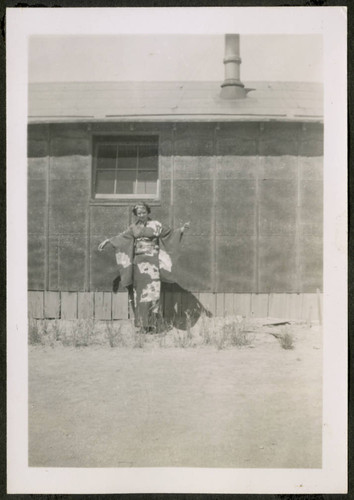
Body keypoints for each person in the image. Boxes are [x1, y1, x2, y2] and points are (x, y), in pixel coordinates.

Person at [98, 202, 190, 332]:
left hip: (152, 263)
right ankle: (142, 325)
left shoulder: (156, 225)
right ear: (136, 214)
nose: (141, 215)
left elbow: (170, 234)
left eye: (144, 212)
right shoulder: (133, 228)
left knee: (152, 293)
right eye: (139, 213)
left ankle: (152, 324)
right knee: (139, 294)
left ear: (148, 212)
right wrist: (108, 241)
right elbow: (121, 238)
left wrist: (181, 230)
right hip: (139, 263)